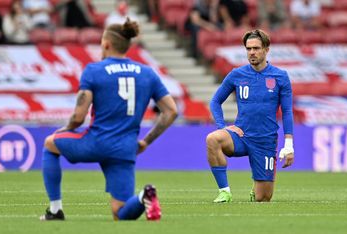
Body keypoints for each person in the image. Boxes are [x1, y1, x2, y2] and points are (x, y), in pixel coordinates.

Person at [39, 18, 178, 221]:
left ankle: (55, 210)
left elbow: (78, 117)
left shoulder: (94, 71)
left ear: (106, 44)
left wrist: (65, 129)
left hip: (96, 142)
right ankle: (143, 197)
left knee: (50, 144)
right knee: (120, 212)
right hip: (125, 148)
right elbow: (171, 111)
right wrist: (146, 141)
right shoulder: (147, 73)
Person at [206, 29, 294, 203]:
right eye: (248, 49)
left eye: (256, 48)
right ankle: (224, 192)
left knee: (263, 198)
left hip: (265, 141)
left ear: (266, 49)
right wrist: (222, 126)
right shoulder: (237, 74)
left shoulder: (280, 76)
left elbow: (287, 111)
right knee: (212, 139)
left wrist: (289, 144)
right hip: (241, 136)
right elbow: (215, 101)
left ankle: (257, 188)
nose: (251, 52)